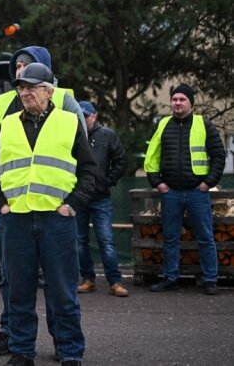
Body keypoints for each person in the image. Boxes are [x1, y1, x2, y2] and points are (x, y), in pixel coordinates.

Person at [0, 46, 85, 357]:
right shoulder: (1, 108)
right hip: (13, 212)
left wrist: (72, 201)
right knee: (14, 282)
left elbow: (84, 159)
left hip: (54, 213)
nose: (21, 72)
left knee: (60, 287)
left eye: (28, 67)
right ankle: (14, 339)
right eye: (18, 67)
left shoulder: (65, 104)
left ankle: (66, 346)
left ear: (46, 82)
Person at [143, 84, 224, 296]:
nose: (177, 103)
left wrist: (208, 182)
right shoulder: (162, 125)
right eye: (175, 99)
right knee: (170, 238)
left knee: (205, 237)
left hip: (198, 192)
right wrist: (157, 183)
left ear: (191, 103)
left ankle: (210, 280)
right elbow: (151, 156)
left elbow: (219, 156)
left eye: (182, 99)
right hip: (171, 193)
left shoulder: (203, 124)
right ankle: (171, 278)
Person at [74, 101, 129, 297]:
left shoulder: (107, 135)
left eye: (86, 115)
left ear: (94, 116)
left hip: (99, 197)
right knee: (80, 242)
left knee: (106, 241)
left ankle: (115, 281)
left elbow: (121, 160)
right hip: (78, 197)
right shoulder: (73, 135)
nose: (83, 119)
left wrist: (108, 181)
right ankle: (88, 279)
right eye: (80, 115)